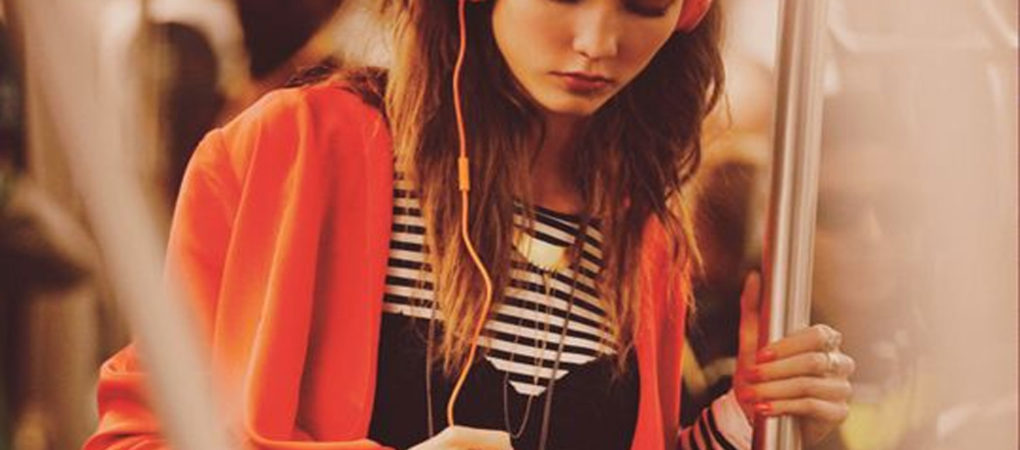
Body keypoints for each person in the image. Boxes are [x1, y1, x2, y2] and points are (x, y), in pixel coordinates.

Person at [85, 0, 854, 449]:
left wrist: (743, 420)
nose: (597, 41)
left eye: (644, 3)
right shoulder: (299, 151)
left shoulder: (642, 236)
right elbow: (139, 437)